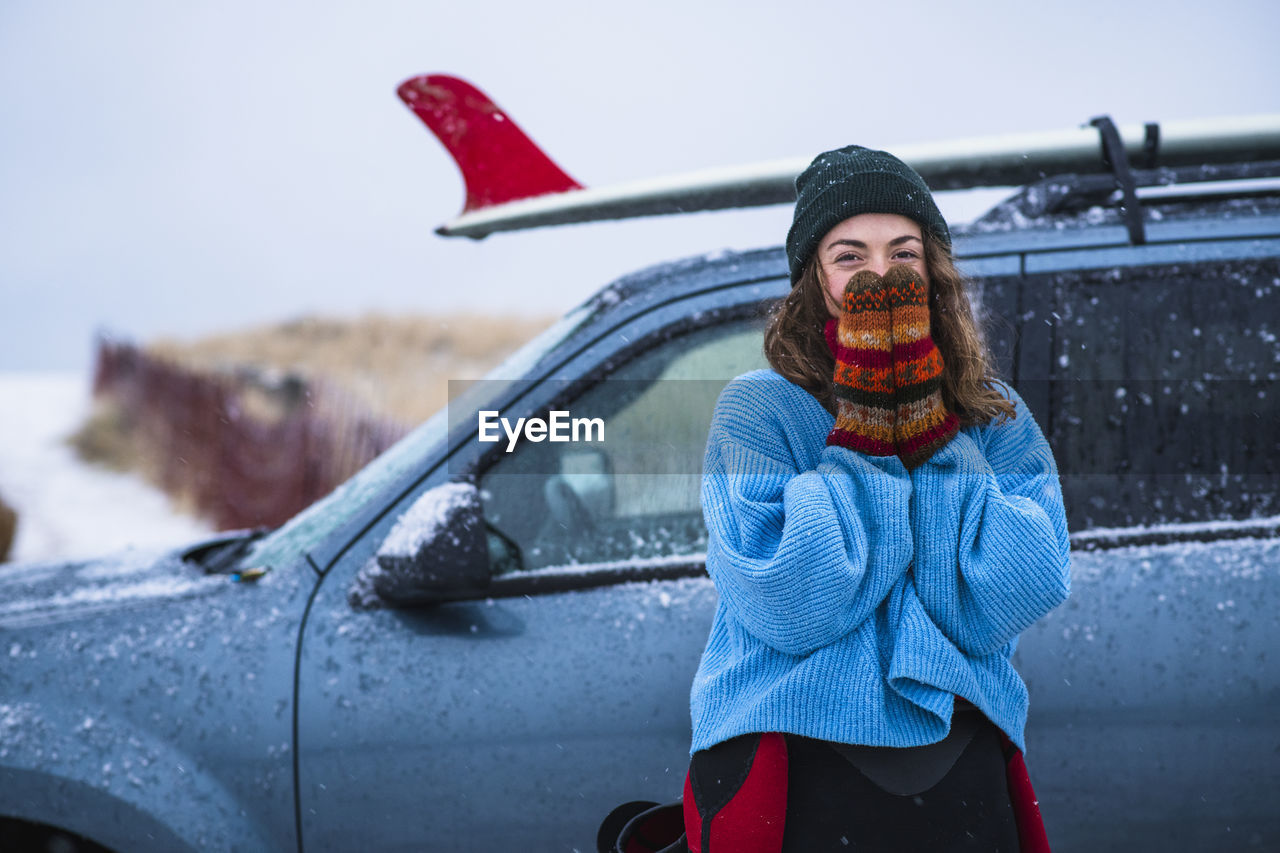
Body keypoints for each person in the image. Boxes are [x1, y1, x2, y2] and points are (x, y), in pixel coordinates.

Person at [683, 146, 1072, 852]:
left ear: (934, 269)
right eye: (850, 256)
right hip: (792, 755)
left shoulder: (993, 415)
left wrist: (930, 429)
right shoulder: (758, 412)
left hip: (960, 759)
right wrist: (864, 430)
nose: (881, 275)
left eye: (904, 252)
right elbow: (794, 600)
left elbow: (1002, 596)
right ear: (814, 278)